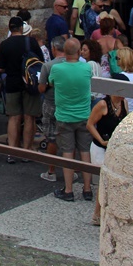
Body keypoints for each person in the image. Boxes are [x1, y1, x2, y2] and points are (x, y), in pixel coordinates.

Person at [40, 37, 94, 202]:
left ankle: (69, 190)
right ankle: (87, 189)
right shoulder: (87, 68)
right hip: (84, 115)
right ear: (78, 52)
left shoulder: (56, 69)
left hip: (64, 116)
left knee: (67, 152)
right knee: (85, 151)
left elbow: (50, 83)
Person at [0, 16, 45, 162]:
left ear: (10, 28)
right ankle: (26, 151)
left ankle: (11, 152)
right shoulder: (31, 42)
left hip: (12, 83)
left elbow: (0, 68)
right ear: (21, 28)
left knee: (13, 117)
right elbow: (40, 62)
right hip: (30, 84)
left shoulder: (5, 44)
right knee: (30, 117)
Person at [86, 86, 128, 225]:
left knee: (114, 180)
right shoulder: (102, 104)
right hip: (100, 147)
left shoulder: (124, 103)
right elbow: (90, 124)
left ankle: (110, 212)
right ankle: (97, 214)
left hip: (115, 147)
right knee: (104, 181)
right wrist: (101, 140)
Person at [38, 33, 67, 181]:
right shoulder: (73, 64)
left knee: (51, 138)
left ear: (54, 49)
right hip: (68, 104)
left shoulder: (48, 66)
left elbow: (41, 88)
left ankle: (51, 171)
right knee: (69, 138)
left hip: (51, 103)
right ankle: (71, 170)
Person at [109, 45, 133, 111]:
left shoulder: (120, 77)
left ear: (122, 60)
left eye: (117, 58)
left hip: (128, 110)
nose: (116, 60)